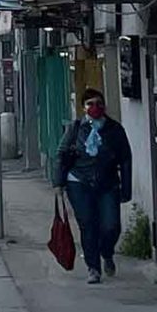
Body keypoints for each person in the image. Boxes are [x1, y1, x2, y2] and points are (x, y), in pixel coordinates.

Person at [55, 89, 132, 283]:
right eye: (90, 104)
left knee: (111, 226)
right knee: (88, 225)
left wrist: (126, 189)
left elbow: (125, 159)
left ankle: (107, 252)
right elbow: (62, 154)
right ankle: (93, 268)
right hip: (79, 182)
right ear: (83, 108)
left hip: (108, 183)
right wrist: (59, 183)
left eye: (98, 103)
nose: (95, 107)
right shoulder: (76, 128)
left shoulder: (114, 130)